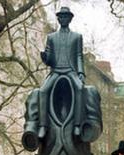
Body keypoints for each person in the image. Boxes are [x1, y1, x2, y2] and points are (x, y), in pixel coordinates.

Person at [39, 6, 85, 138]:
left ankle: (77, 125)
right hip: (56, 71)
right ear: (58, 19)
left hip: (70, 71)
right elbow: (50, 59)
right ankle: (43, 126)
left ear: (70, 19)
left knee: (80, 89)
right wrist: (45, 58)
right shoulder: (51, 37)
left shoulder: (77, 37)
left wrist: (81, 73)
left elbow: (79, 56)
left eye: (66, 16)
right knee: (42, 91)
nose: (63, 19)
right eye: (61, 16)